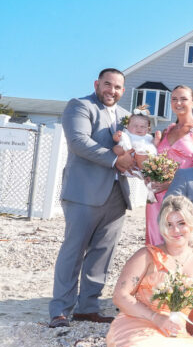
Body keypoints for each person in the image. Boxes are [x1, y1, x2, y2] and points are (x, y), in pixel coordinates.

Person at [32, 196, 193, 347]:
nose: (176, 230)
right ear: (162, 227)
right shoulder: (147, 255)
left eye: (181, 223)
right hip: (138, 323)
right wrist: (157, 318)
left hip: (174, 330)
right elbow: (120, 296)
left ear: (192, 223)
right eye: (169, 224)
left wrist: (188, 332)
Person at [49, 68, 135, 328]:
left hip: (117, 194)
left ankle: (88, 308)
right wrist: (115, 160)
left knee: (102, 254)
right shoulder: (80, 106)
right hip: (83, 193)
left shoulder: (125, 116)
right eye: (107, 84)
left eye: (117, 87)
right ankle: (60, 310)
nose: (112, 90)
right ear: (97, 84)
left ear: (123, 90)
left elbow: (134, 147)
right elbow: (78, 141)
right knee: (73, 251)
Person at [146, 85, 193, 245]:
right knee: (155, 241)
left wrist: (171, 183)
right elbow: (155, 159)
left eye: (183, 99)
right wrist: (149, 176)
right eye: (174, 99)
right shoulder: (168, 130)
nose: (178, 103)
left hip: (181, 195)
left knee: (176, 241)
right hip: (157, 195)